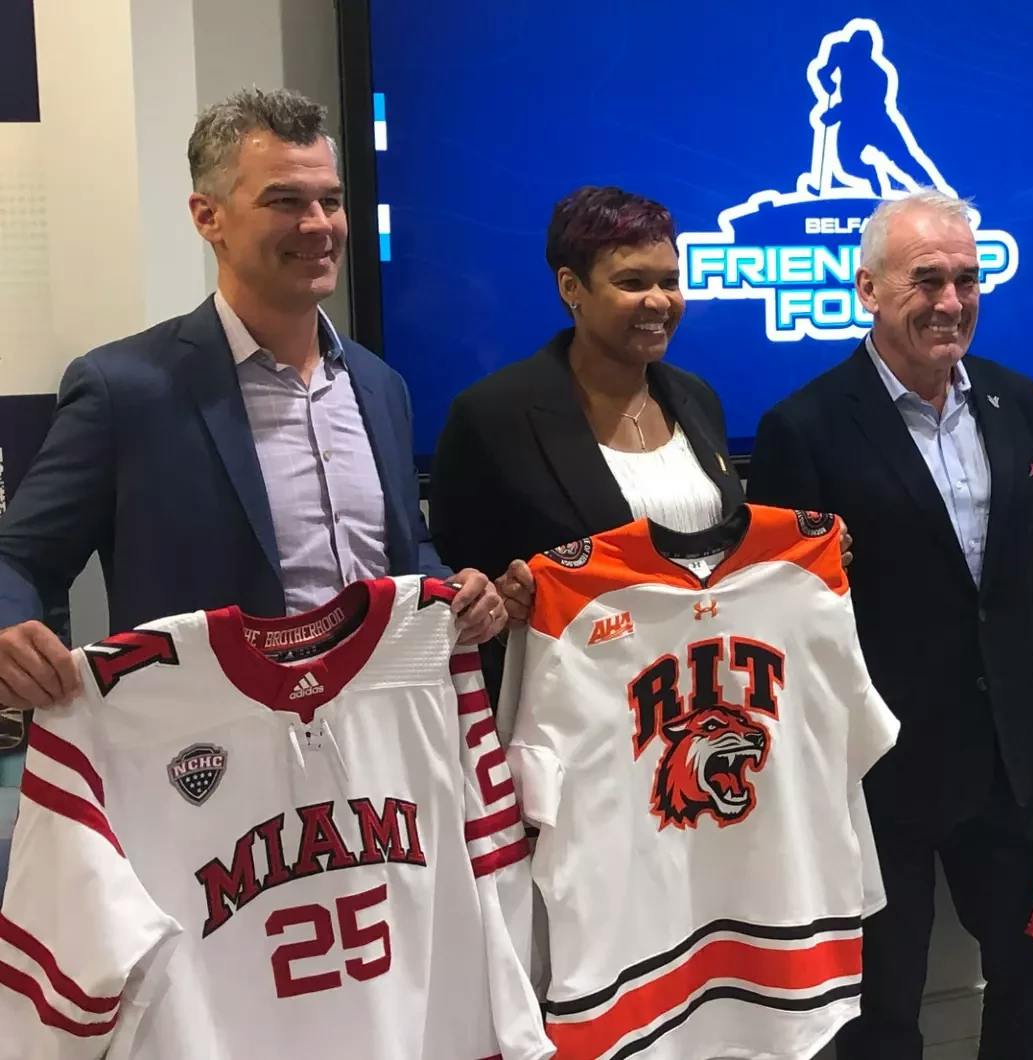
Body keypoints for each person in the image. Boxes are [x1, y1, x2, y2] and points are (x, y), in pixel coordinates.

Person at [0, 88, 505, 712]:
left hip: (381, 743)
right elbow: (19, 559)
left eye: (331, 201)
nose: (319, 224)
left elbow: (400, 548)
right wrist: (7, 631)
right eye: (285, 201)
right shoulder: (123, 388)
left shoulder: (379, 386)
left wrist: (453, 588)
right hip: (210, 760)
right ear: (207, 216)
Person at [745, 190, 1033, 1059]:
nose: (952, 301)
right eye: (927, 279)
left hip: (1010, 761)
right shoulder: (802, 428)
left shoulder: (1018, 403)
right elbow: (780, 627)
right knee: (882, 1004)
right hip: (875, 770)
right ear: (867, 289)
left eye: (969, 278)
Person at [428, 187, 744, 629]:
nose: (658, 301)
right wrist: (502, 598)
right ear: (571, 287)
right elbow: (459, 580)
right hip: (576, 685)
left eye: (669, 282)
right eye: (632, 283)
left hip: (707, 675)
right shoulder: (492, 415)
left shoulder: (699, 398)